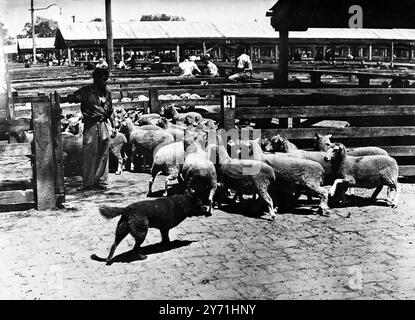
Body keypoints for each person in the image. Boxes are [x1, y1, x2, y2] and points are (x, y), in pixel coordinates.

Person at [68, 68, 117, 191]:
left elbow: (110, 111)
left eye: (106, 79)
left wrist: (114, 125)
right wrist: (67, 97)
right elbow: (73, 97)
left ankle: (100, 180)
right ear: (95, 78)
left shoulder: (107, 93)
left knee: (103, 152)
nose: (105, 81)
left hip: (104, 124)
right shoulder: (86, 91)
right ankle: (88, 182)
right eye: (102, 79)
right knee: (89, 152)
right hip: (91, 125)